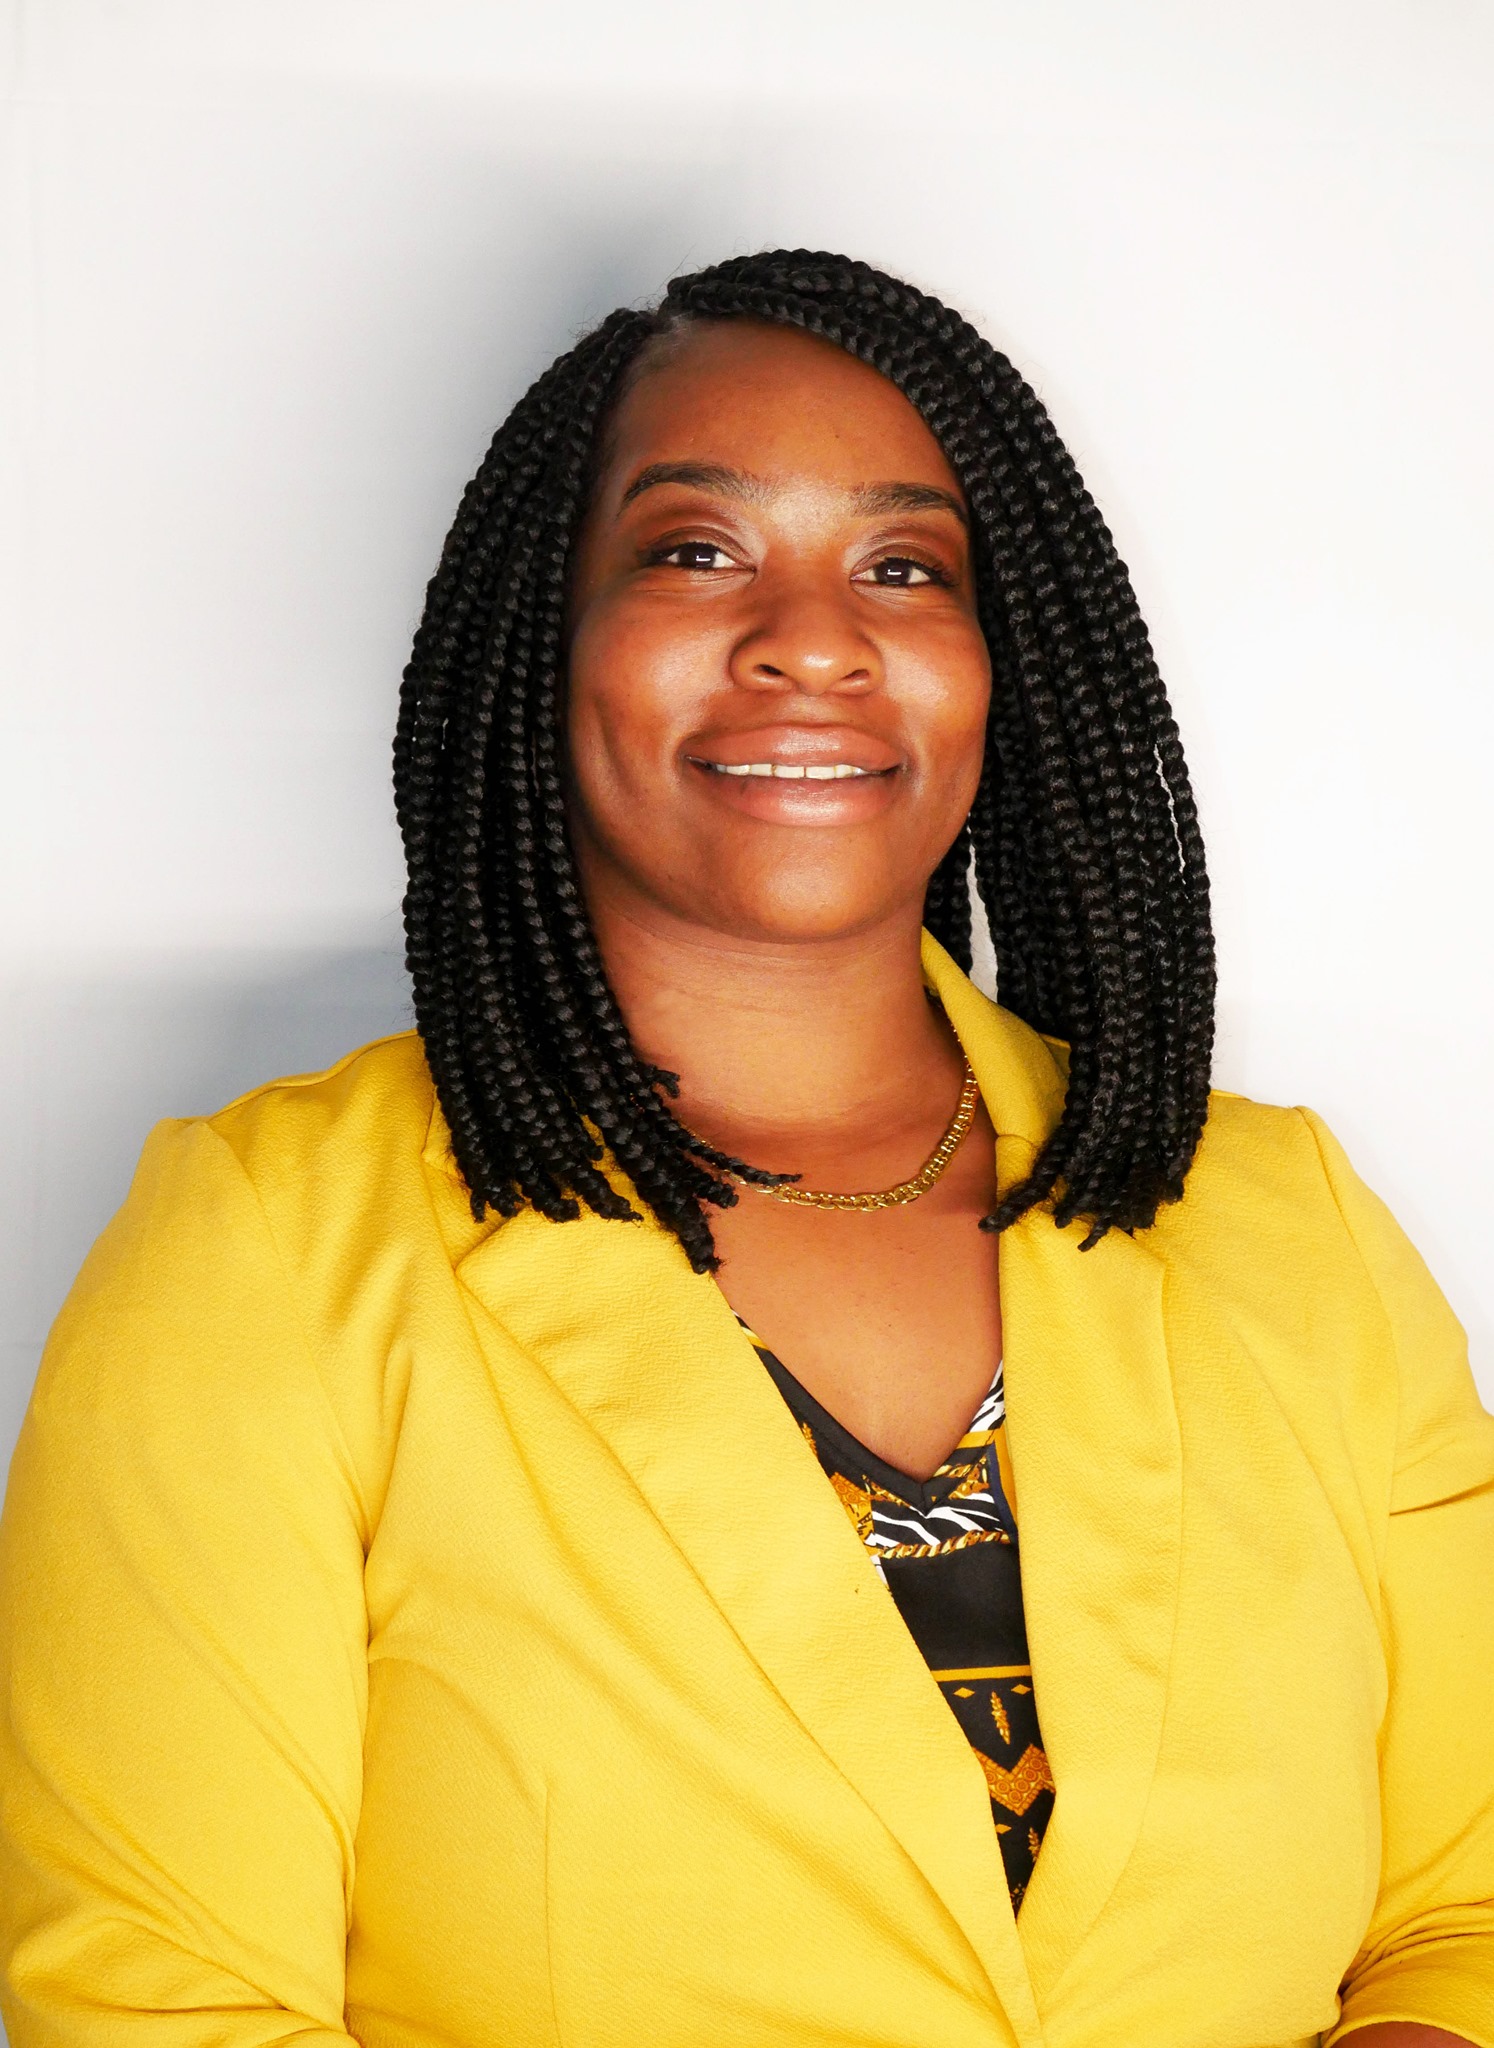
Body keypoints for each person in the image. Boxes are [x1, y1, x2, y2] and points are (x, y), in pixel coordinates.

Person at [0, 249, 1490, 2048]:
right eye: (696, 551)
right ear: (544, 638)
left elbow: (1463, 1913)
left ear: (1002, 662)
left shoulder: (1285, 1222)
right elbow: (161, 2004)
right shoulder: (270, 1250)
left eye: (902, 567)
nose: (810, 637)